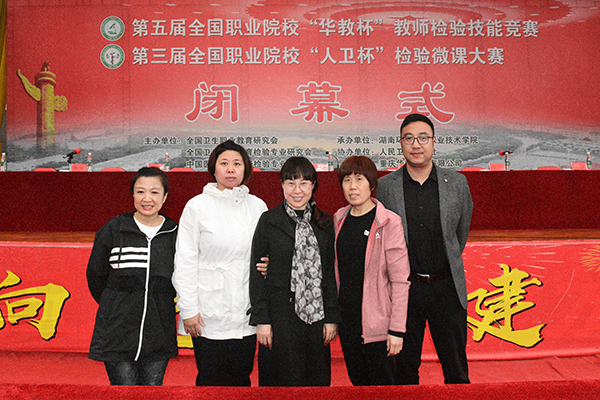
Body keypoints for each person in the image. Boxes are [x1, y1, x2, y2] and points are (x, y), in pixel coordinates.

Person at [376, 113, 473, 385]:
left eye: (422, 138)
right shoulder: (386, 187)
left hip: (446, 288)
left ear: (433, 142)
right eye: (409, 138)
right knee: (404, 370)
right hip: (405, 289)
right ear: (400, 143)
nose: (416, 145)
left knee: (456, 369)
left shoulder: (457, 184)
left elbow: (459, 234)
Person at [172, 140, 268, 386]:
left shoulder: (257, 206)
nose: (230, 169)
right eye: (224, 163)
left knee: (242, 376)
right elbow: (185, 260)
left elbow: (266, 251)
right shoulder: (197, 206)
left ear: (246, 169)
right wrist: (188, 309)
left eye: (237, 164)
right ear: (213, 168)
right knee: (210, 378)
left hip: (245, 311)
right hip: (208, 312)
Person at [249, 156, 340, 386]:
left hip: (316, 318)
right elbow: (257, 274)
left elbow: (329, 273)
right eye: (290, 183)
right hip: (279, 317)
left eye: (303, 183)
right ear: (281, 185)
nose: (297, 190)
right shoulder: (269, 221)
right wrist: (262, 320)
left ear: (313, 185)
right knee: (280, 383)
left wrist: (331, 318)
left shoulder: (324, 223)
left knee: (314, 382)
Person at [87, 167, 178, 386]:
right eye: (140, 192)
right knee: (124, 392)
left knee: (152, 391)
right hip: (117, 330)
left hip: (159, 331)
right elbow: (96, 276)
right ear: (133, 195)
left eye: (154, 192)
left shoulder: (175, 233)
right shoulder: (114, 229)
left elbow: (182, 278)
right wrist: (116, 303)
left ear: (165, 197)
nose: (147, 199)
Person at [333, 155, 411, 386]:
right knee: (358, 385)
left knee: (382, 389)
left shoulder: (389, 222)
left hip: (379, 325)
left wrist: (396, 329)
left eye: (359, 179)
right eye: (347, 180)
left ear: (371, 184)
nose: (352, 186)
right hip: (348, 322)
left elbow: (400, 280)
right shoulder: (338, 219)